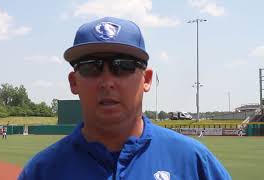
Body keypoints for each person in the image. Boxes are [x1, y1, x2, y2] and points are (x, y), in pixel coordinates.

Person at [18, 17, 231, 180]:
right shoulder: (42, 171)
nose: (107, 81)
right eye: (91, 67)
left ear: (146, 79)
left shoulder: (192, 161)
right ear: (74, 82)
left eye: (123, 66)